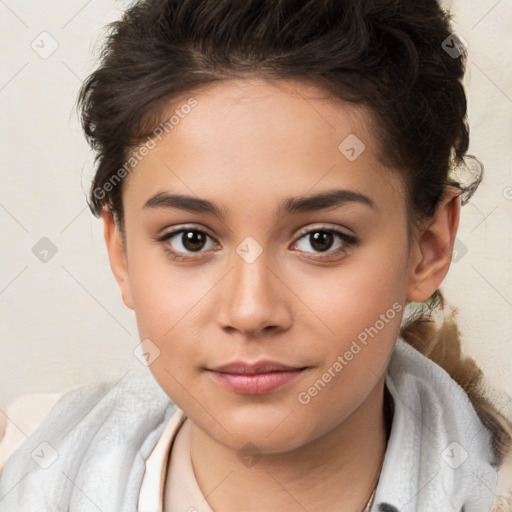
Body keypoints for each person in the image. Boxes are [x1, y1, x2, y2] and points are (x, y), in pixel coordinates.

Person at [0, 0, 511, 510]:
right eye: (191, 239)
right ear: (123, 251)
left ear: (428, 249)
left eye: (321, 239)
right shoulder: (22, 464)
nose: (249, 312)